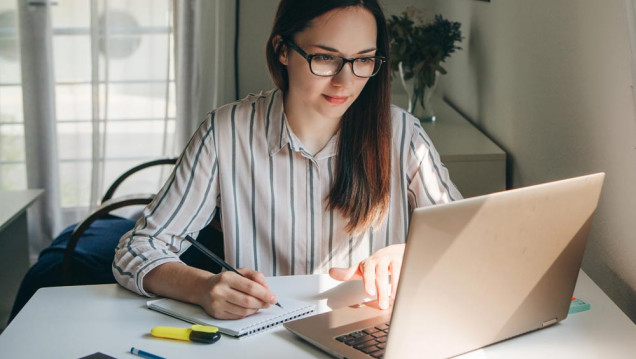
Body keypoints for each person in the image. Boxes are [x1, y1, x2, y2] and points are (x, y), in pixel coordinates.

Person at [112, 0, 461, 320]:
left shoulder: (403, 134)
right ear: (282, 50)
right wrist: (202, 287)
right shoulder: (225, 133)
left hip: (371, 331)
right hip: (263, 333)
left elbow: (468, 236)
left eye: (363, 60)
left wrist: (411, 253)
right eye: (325, 58)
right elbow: (137, 248)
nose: (345, 81)